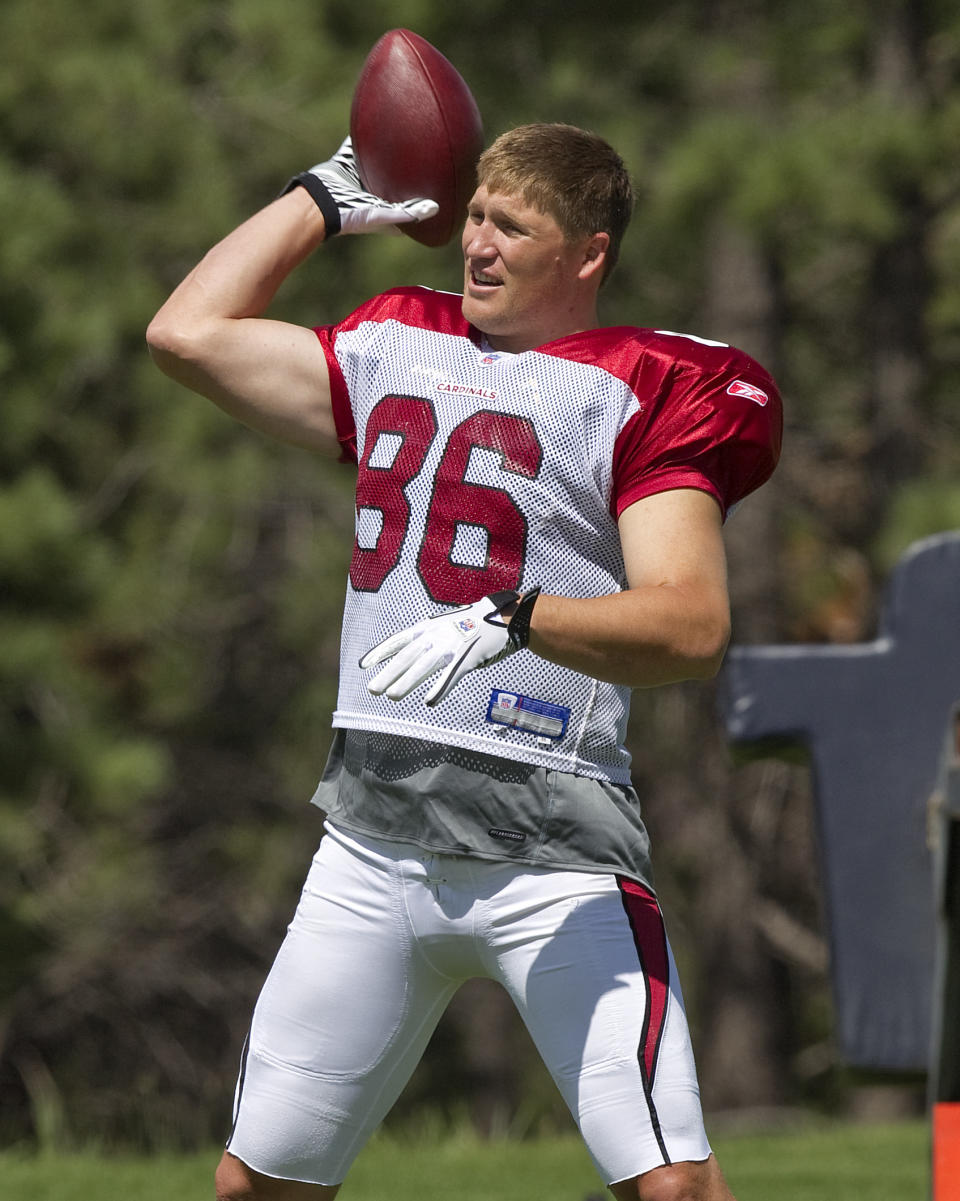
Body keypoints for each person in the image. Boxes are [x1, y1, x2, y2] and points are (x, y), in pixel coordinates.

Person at [147, 121, 782, 1201]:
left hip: (550, 852)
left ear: (586, 252)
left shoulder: (639, 387)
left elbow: (689, 625)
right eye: (475, 217)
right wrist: (325, 197)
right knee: (257, 1188)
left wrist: (517, 619)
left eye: (512, 226)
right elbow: (185, 333)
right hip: (373, 841)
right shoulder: (398, 338)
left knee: (673, 1190)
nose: (477, 245)